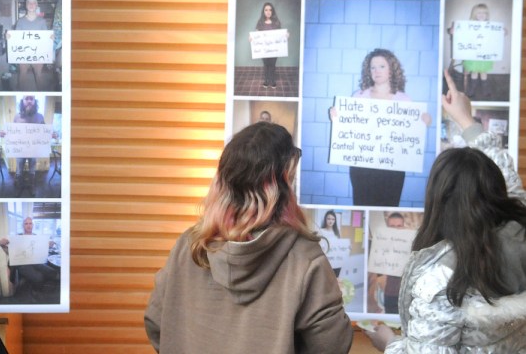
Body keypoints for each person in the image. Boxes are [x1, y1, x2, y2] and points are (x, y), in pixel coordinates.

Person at [144, 122, 353, 353]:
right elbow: (332, 346)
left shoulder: (189, 246)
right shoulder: (305, 259)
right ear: (286, 180)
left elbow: (156, 323)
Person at [365, 69, 526, 352]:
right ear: (495, 190)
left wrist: (390, 343)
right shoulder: (519, 230)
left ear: (439, 201)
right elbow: (508, 178)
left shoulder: (444, 279)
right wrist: (466, 120)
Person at [331, 48, 431, 206]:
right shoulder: (359, 96)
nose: (376, 71)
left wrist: (424, 122)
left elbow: (410, 132)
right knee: (362, 205)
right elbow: (349, 129)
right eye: (372, 67)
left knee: (389, 204)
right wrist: (337, 117)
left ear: (392, 69)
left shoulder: (404, 100)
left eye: (382, 66)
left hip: (393, 168)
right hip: (362, 167)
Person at [0, 217, 58, 302]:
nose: (28, 225)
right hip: (22, 263)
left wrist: (48, 246)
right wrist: (2, 245)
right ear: (23, 225)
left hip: (35, 261)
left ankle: (45, 289)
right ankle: (36, 291)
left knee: (51, 271)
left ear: (33, 225)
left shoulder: (36, 237)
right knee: (39, 277)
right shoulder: (17, 237)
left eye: (30, 223)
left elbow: (40, 251)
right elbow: (9, 253)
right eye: (26, 223)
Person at [0, 95, 45, 195]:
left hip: (34, 150)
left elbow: (45, 133)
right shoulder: (17, 117)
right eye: (26, 99)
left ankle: (31, 187)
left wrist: (52, 134)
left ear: (35, 101)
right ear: (22, 101)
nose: (29, 101)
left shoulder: (40, 117)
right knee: (19, 170)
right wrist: (4, 133)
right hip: (20, 149)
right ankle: (19, 187)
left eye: (31, 99)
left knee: (32, 170)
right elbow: (12, 132)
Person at [447, 3, 496, 100]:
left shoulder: (490, 26)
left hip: (484, 54)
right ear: (474, 14)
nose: (481, 15)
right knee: (474, 72)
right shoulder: (469, 25)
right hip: (473, 54)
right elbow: (454, 31)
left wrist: (503, 31)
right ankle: (472, 89)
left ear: (487, 15)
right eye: (479, 13)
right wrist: (452, 30)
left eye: (484, 13)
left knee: (483, 72)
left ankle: (485, 89)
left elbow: (499, 33)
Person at [7, 0, 52, 91]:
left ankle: (41, 93)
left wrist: (50, 37)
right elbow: (16, 38)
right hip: (23, 54)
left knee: (39, 75)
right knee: (22, 75)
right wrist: (10, 38)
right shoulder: (20, 21)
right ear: (26, 5)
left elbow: (46, 38)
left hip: (39, 54)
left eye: (33, 2)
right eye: (29, 2)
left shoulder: (42, 21)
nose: (31, 5)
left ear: (36, 5)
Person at [367, 213, 406, 314]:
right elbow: (374, 275)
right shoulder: (381, 246)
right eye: (392, 226)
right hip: (389, 294)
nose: (396, 229)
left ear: (403, 226)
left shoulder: (411, 244)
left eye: (399, 226)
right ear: (388, 227)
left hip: (407, 295)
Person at [250, 2, 287, 89]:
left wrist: (286, 35)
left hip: (274, 49)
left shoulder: (276, 22)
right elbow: (256, 34)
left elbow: (280, 35)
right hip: (264, 49)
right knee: (266, 65)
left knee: (272, 65)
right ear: (263, 11)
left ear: (272, 11)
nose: (268, 12)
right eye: (266, 10)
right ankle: (266, 81)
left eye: (270, 10)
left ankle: (273, 81)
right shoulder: (260, 22)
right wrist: (251, 38)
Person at [319, 210, 342, 277]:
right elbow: (319, 246)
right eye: (328, 218)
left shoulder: (338, 232)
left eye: (333, 219)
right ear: (325, 219)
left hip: (336, 262)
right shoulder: (321, 231)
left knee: (335, 280)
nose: (330, 221)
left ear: (335, 221)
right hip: (325, 261)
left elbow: (340, 246)